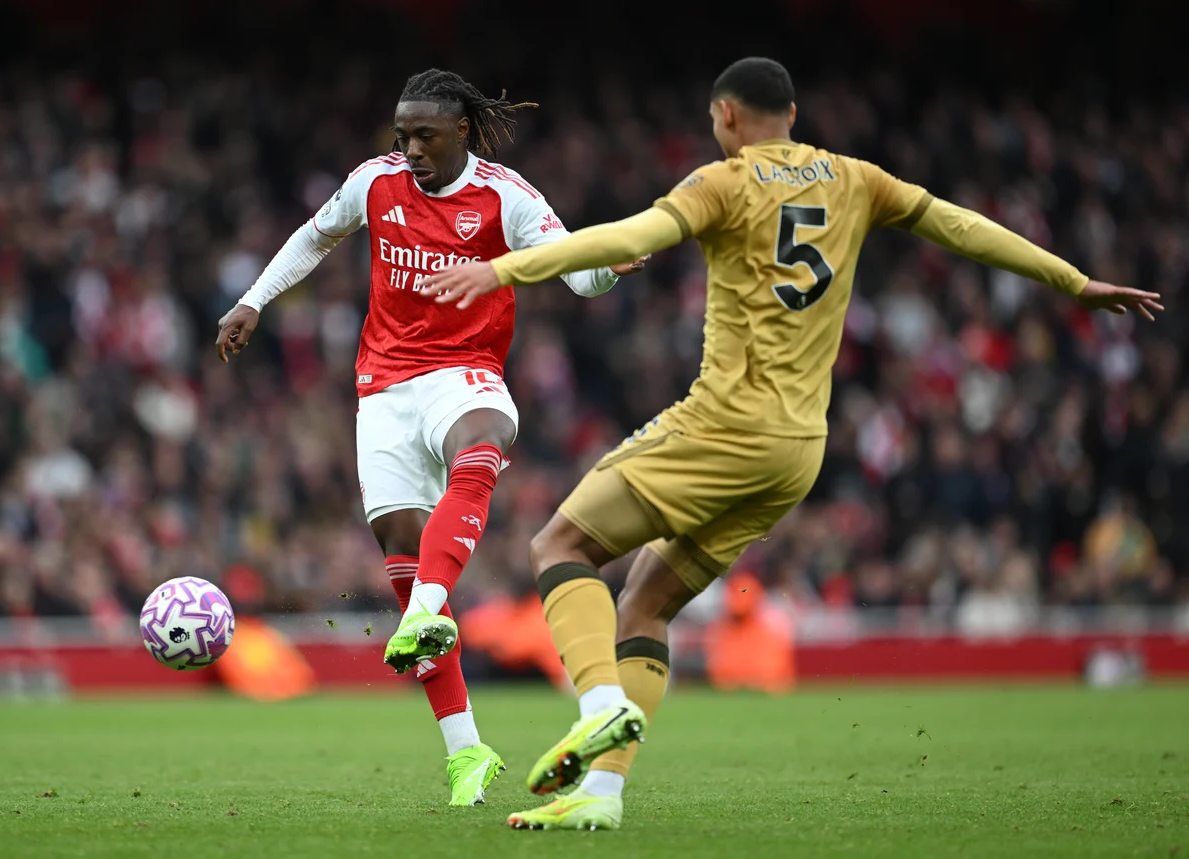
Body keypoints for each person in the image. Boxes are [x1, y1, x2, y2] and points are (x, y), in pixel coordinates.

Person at [419, 56, 1163, 830]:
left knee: (560, 543)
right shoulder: (857, 179)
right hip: (798, 450)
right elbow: (960, 225)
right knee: (643, 602)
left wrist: (502, 269)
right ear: (794, 116)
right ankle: (601, 796)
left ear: (726, 116)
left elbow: (631, 235)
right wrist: (1074, 281)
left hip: (725, 425)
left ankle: (600, 704)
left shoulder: (723, 182)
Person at [214, 68, 647, 807]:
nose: (410, 148)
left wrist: (608, 266)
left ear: (462, 132)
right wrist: (254, 299)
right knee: (402, 551)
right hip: (383, 386)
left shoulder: (507, 197)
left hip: (464, 372)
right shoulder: (374, 183)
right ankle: (466, 752)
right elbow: (313, 237)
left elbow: (580, 275)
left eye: (424, 135)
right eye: (402, 135)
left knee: (481, 441)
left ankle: (423, 613)